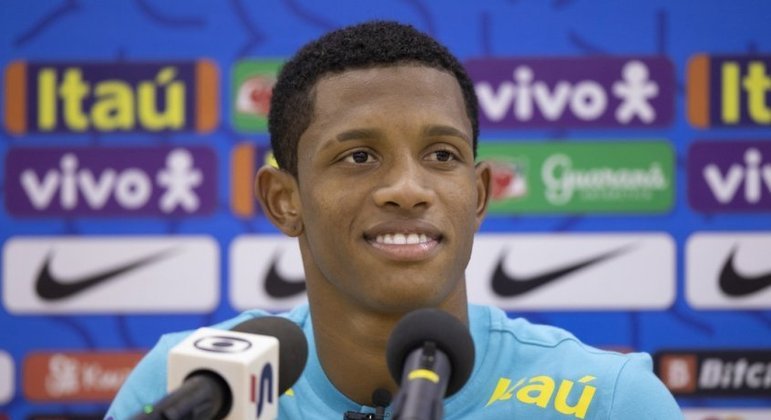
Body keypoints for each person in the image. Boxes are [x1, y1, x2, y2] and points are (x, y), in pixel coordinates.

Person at [106, 20, 683, 419]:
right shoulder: (191, 389)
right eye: (359, 156)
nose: (408, 189)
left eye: (442, 156)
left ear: (478, 195)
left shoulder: (608, 400)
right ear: (285, 200)